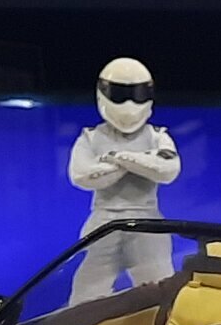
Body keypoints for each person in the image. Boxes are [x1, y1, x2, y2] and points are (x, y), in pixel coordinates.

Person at [68, 57, 181, 305]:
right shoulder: (91, 137)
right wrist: (138, 161)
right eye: (119, 95)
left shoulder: (157, 135)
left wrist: (118, 158)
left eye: (137, 95)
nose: (129, 105)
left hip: (147, 223)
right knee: (85, 297)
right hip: (104, 222)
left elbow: (168, 170)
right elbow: (81, 174)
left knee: (162, 293)